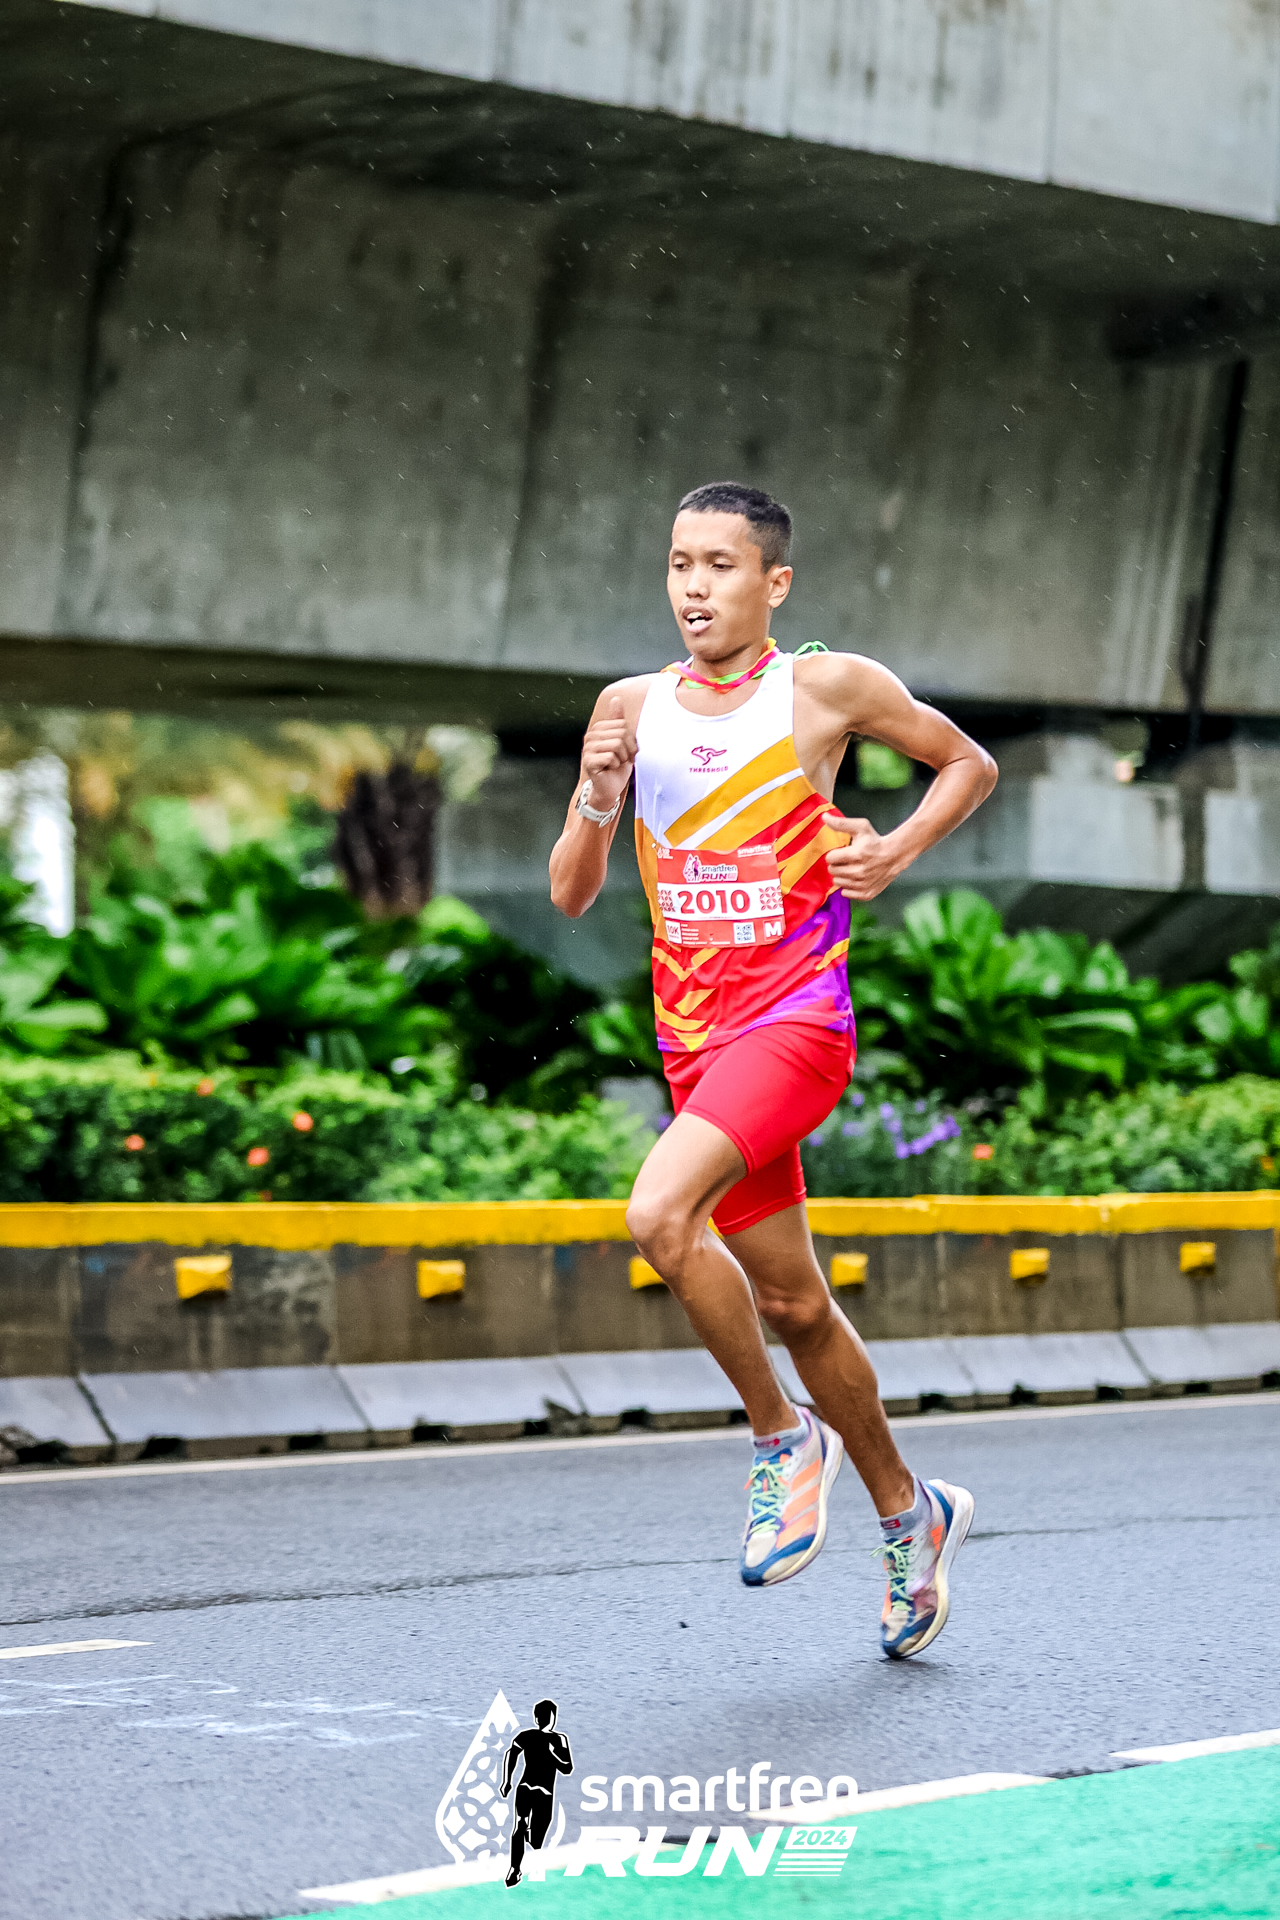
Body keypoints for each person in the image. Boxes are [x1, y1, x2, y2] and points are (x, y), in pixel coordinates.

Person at [548, 482, 997, 1659]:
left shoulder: (824, 687)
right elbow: (572, 892)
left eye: (720, 565)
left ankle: (780, 1438)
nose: (694, 587)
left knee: (657, 1214)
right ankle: (909, 1513)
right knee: (793, 1303)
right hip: (693, 1042)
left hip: (795, 1023)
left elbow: (965, 764)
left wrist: (893, 850)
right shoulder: (628, 707)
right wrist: (595, 797)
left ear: (772, 582)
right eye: (678, 564)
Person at [500, 1698, 573, 1887]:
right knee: (522, 1826)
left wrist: (551, 1754)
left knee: (534, 1838)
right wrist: (507, 1780)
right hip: (534, 1790)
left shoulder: (556, 1739)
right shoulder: (533, 1736)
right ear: (538, 1718)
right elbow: (511, 1754)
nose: (548, 1719)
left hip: (535, 1791)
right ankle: (515, 1868)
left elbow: (567, 1768)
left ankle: (524, 1841)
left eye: (548, 1716)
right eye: (546, 1716)